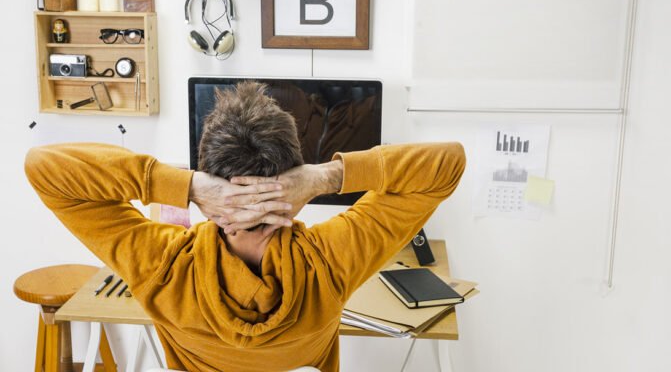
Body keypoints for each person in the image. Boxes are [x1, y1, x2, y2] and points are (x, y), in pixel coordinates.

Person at [25, 82, 466, 372]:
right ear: (293, 176)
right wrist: (324, 178)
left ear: (211, 177)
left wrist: (187, 186)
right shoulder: (332, 260)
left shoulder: (162, 265)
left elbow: (44, 168)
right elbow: (447, 165)